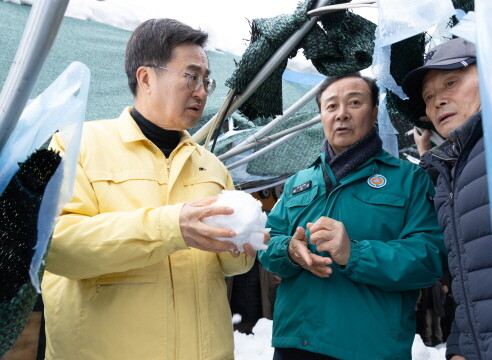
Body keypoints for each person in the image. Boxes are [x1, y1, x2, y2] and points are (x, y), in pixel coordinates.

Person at [41, 19, 259, 360]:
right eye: (191, 76)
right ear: (146, 78)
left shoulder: (213, 167)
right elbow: (56, 248)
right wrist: (171, 227)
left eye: (206, 80)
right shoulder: (75, 145)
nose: (201, 91)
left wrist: (243, 246)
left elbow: (230, 267)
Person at [258, 73, 446, 360]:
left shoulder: (410, 179)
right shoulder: (297, 182)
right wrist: (288, 251)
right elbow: (266, 242)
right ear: (321, 116)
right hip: (296, 344)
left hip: (369, 347)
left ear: (374, 113)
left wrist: (354, 253)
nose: (341, 114)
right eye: (331, 106)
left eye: (354, 103)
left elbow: (431, 257)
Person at [402, 37, 492, 360]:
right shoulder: (450, 173)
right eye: (429, 96)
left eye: (451, 82)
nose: (437, 101)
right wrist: (460, 347)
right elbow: (468, 282)